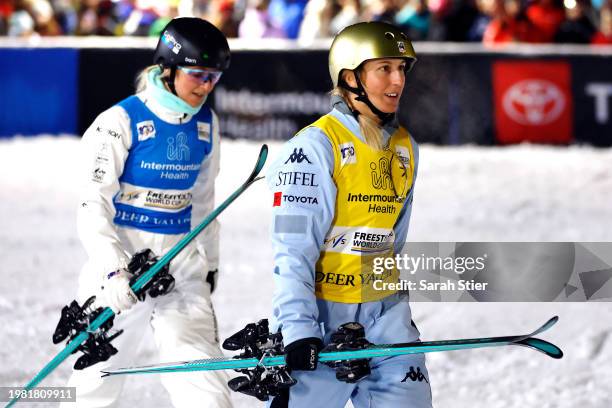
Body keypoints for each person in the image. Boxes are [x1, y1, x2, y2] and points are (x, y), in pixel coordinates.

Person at [61, 17, 232, 408]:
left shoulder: (207, 124)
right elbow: (93, 204)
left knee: (204, 382)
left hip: (180, 266)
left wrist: (209, 265)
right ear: (168, 70)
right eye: (198, 75)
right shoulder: (119, 122)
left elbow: (204, 203)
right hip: (122, 268)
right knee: (93, 384)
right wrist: (111, 269)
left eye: (214, 77)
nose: (206, 87)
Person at [265, 21, 432, 408]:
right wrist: (297, 328)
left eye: (402, 69)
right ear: (350, 76)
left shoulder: (406, 147)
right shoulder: (314, 148)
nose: (397, 80)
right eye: (384, 69)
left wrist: (395, 318)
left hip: (387, 321)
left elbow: (395, 241)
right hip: (322, 322)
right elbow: (291, 250)